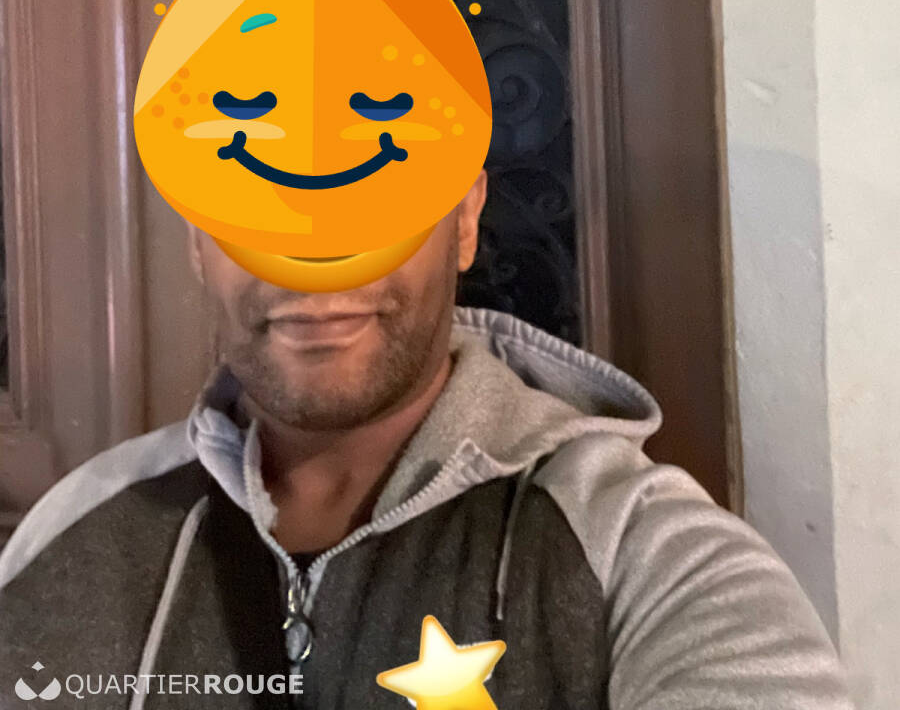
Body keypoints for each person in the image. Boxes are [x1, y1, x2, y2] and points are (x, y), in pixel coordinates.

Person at [0, 172, 852, 709]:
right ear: (198, 239)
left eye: (377, 187)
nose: (317, 260)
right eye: (257, 193)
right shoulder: (75, 533)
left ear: (465, 217)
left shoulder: (645, 555)